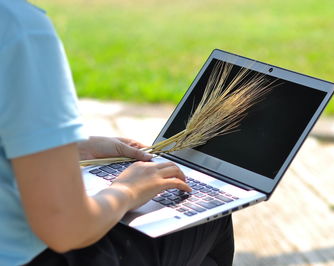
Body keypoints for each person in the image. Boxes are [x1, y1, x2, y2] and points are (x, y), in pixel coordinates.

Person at [0, 1, 234, 265]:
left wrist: (69, 148)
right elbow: (66, 229)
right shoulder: (17, 28)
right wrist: (127, 191)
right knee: (210, 217)